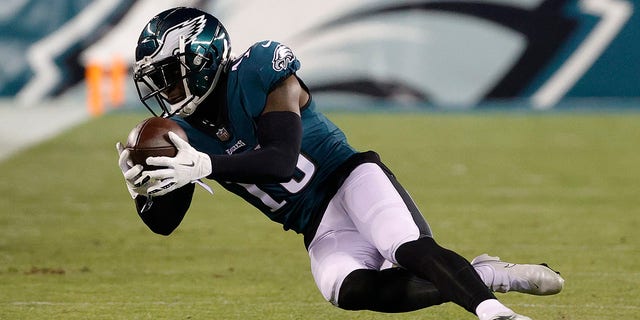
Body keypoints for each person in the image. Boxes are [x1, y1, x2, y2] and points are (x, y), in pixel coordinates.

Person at [116, 7, 564, 320]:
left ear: (201, 60)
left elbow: (279, 161)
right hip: (316, 224)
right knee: (348, 291)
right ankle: (483, 275)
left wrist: (206, 166)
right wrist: (145, 191)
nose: (165, 93)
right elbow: (164, 225)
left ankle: (495, 312)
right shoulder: (178, 134)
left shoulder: (259, 72)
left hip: (350, 178)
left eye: (169, 77)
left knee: (402, 247)